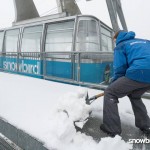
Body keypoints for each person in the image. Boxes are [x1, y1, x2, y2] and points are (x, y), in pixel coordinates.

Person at [100, 30, 150, 137]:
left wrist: (114, 84)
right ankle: (146, 125)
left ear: (117, 38)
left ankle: (111, 129)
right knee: (134, 95)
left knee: (110, 92)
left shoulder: (121, 45)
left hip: (138, 72)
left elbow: (120, 68)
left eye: (114, 41)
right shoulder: (145, 42)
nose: (115, 43)